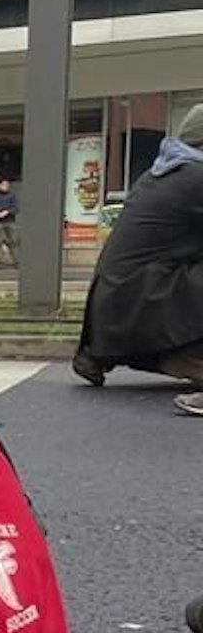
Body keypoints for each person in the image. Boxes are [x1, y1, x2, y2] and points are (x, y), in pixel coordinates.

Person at [73, 103, 203, 412]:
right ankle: (181, 356)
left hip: (123, 311)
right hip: (142, 304)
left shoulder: (169, 170)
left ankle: (177, 356)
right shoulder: (195, 176)